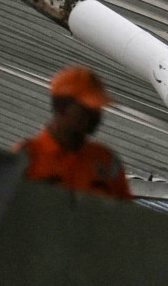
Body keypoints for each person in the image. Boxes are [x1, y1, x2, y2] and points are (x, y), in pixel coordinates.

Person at [17, 65, 132, 200]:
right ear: (62, 108)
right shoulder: (28, 157)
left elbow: (125, 215)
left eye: (98, 109)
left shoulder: (107, 161)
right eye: (87, 109)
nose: (95, 116)